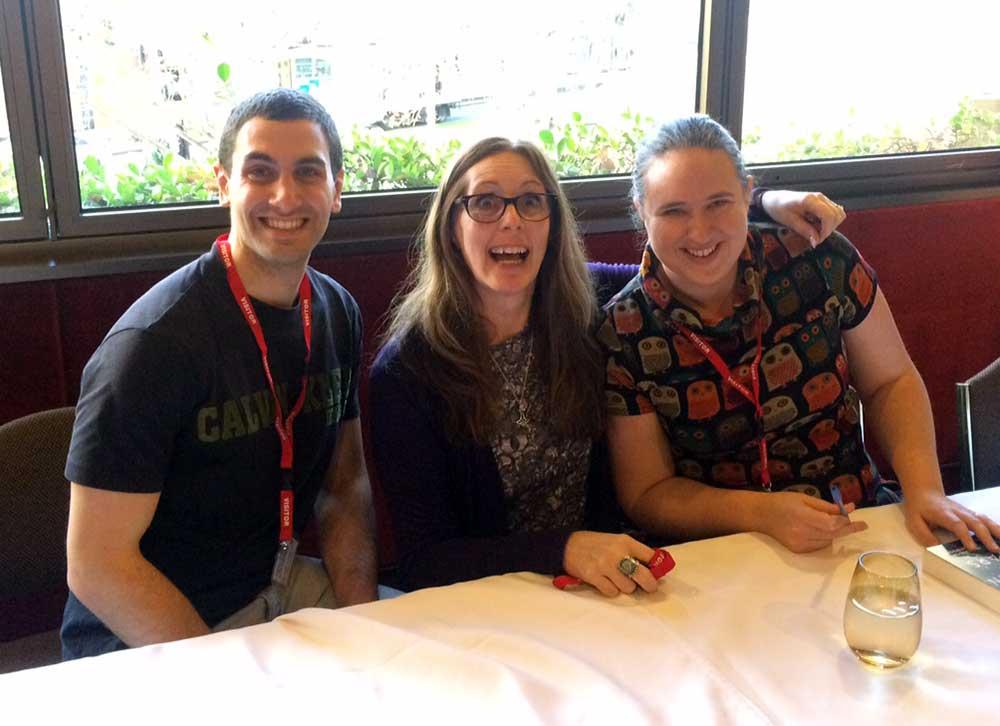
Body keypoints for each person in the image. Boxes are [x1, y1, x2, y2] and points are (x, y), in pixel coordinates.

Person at [370, 136, 848, 596]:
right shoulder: (407, 372)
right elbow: (423, 561)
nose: (512, 220)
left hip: (608, 586)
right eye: (486, 202)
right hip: (495, 606)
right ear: (451, 226)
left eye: (532, 202)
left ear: (553, 225)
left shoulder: (592, 302)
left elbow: (684, 256)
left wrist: (763, 202)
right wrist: (563, 550)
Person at [61, 88, 378, 659]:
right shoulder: (152, 345)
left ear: (336, 190)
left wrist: (365, 625)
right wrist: (220, 680)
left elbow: (344, 486)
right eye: (260, 171)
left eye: (308, 172)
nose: (285, 194)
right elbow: (97, 565)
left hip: (279, 592)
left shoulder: (337, 313)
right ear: (224, 183)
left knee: (426, 664)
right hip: (148, 634)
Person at [601, 114, 1000, 559]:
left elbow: (890, 380)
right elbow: (647, 492)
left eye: (718, 203)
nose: (700, 231)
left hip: (855, 519)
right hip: (721, 553)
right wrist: (762, 514)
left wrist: (926, 490)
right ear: (640, 212)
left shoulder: (819, 259)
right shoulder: (623, 330)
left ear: (748, 195)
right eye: (674, 210)